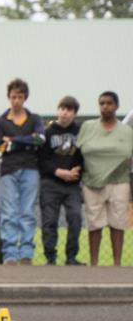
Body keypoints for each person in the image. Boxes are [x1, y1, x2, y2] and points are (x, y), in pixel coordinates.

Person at [76, 91, 133, 266]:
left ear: (116, 106)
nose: (105, 107)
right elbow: (78, 151)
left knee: (117, 222)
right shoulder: (88, 127)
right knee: (94, 223)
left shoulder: (127, 131)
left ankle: (117, 263)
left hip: (119, 180)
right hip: (92, 181)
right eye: (102, 103)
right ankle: (94, 263)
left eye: (109, 103)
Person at [0, 78, 45, 265]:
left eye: (20, 97)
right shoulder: (0, 121)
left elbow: (40, 140)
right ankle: (10, 254)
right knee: (9, 212)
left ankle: (26, 253)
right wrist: (26, 140)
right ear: (9, 97)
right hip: (8, 170)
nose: (16, 101)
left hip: (30, 169)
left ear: (25, 98)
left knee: (28, 211)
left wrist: (13, 141)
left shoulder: (35, 118)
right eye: (13, 97)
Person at [39, 96, 84, 266]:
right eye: (62, 109)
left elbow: (83, 156)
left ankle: (71, 256)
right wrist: (58, 172)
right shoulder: (47, 132)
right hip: (50, 183)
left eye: (69, 110)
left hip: (72, 185)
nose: (64, 113)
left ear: (74, 113)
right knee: (50, 220)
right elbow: (41, 159)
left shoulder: (80, 132)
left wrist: (76, 170)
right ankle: (50, 257)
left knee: (75, 217)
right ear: (58, 110)